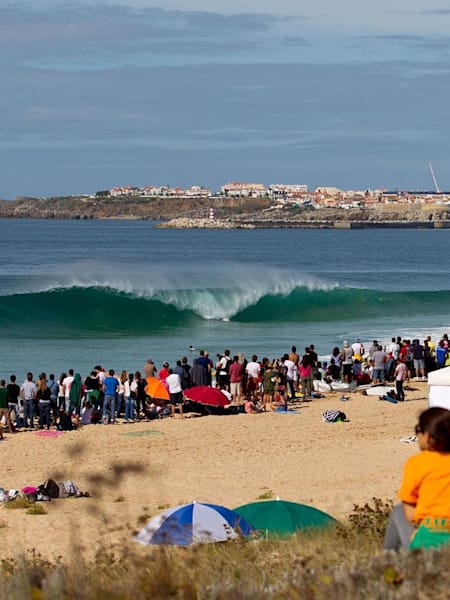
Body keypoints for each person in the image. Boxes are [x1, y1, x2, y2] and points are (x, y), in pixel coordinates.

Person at [384, 407, 450, 551]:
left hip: (430, 540)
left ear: (427, 436)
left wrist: (417, 529)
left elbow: (411, 515)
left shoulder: (417, 463)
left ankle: (387, 566)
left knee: (398, 511)